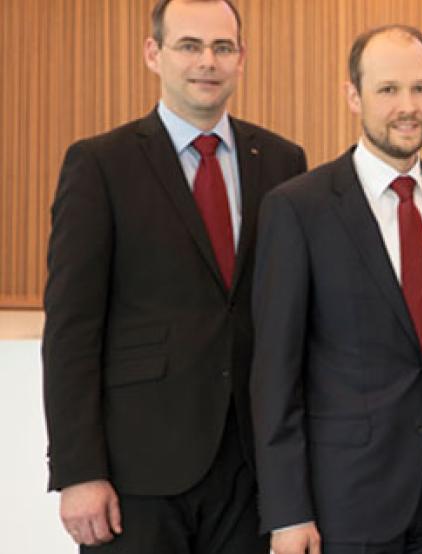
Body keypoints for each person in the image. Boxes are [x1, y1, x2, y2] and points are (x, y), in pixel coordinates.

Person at [42, 0, 307, 552]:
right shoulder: (100, 164)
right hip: (137, 475)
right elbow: (71, 328)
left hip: (251, 471)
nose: (206, 61)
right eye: (189, 45)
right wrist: (78, 471)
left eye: (222, 47)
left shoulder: (283, 162)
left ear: (241, 58)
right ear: (153, 53)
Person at [250, 24, 422, 554]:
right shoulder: (299, 207)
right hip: (344, 502)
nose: (408, 105)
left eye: (420, 88)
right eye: (388, 90)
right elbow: (274, 372)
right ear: (353, 96)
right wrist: (288, 511)